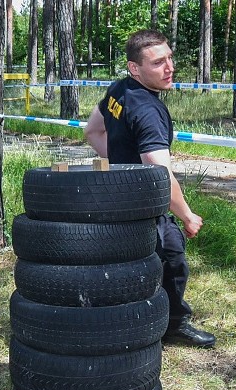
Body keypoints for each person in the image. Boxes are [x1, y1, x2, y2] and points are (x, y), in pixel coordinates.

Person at [84, 29, 216, 348]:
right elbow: (160, 172)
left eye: (170, 58)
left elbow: (92, 130)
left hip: (121, 197)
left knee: (172, 257)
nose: (169, 67)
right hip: (144, 204)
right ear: (135, 68)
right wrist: (186, 215)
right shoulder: (148, 110)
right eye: (158, 62)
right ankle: (155, 326)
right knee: (162, 260)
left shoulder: (119, 91)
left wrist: (120, 162)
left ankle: (171, 322)